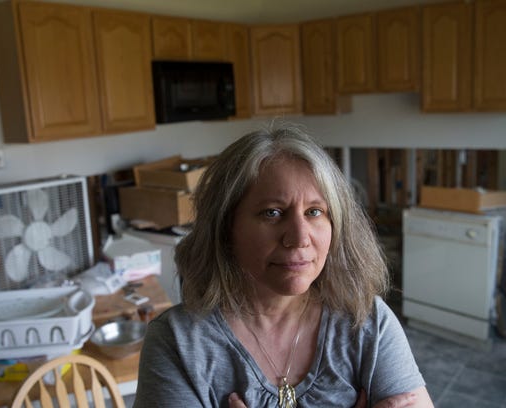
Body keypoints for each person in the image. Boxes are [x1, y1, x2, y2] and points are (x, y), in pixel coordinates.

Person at [133, 123, 434, 408]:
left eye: (315, 211)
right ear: (225, 227)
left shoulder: (368, 323)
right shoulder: (177, 344)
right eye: (272, 213)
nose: (300, 237)